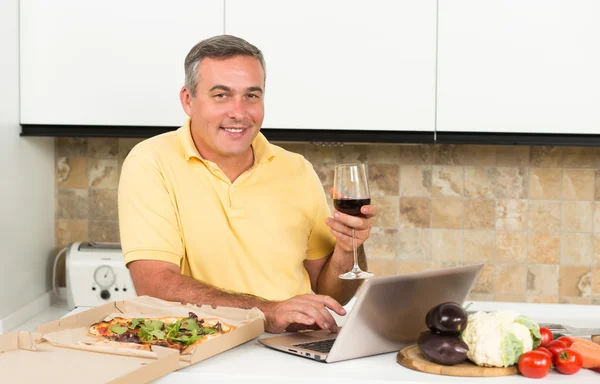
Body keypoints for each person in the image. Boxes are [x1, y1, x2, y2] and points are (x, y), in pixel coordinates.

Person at [118, 35, 377, 334]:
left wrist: (349, 250)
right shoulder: (151, 161)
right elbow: (154, 283)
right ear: (189, 100)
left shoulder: (296, 169)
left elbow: (330, 295)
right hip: (201, 347)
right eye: (221, 95)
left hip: (294, 347)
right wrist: (267, 312)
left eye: (251, 96)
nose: (239, 112)